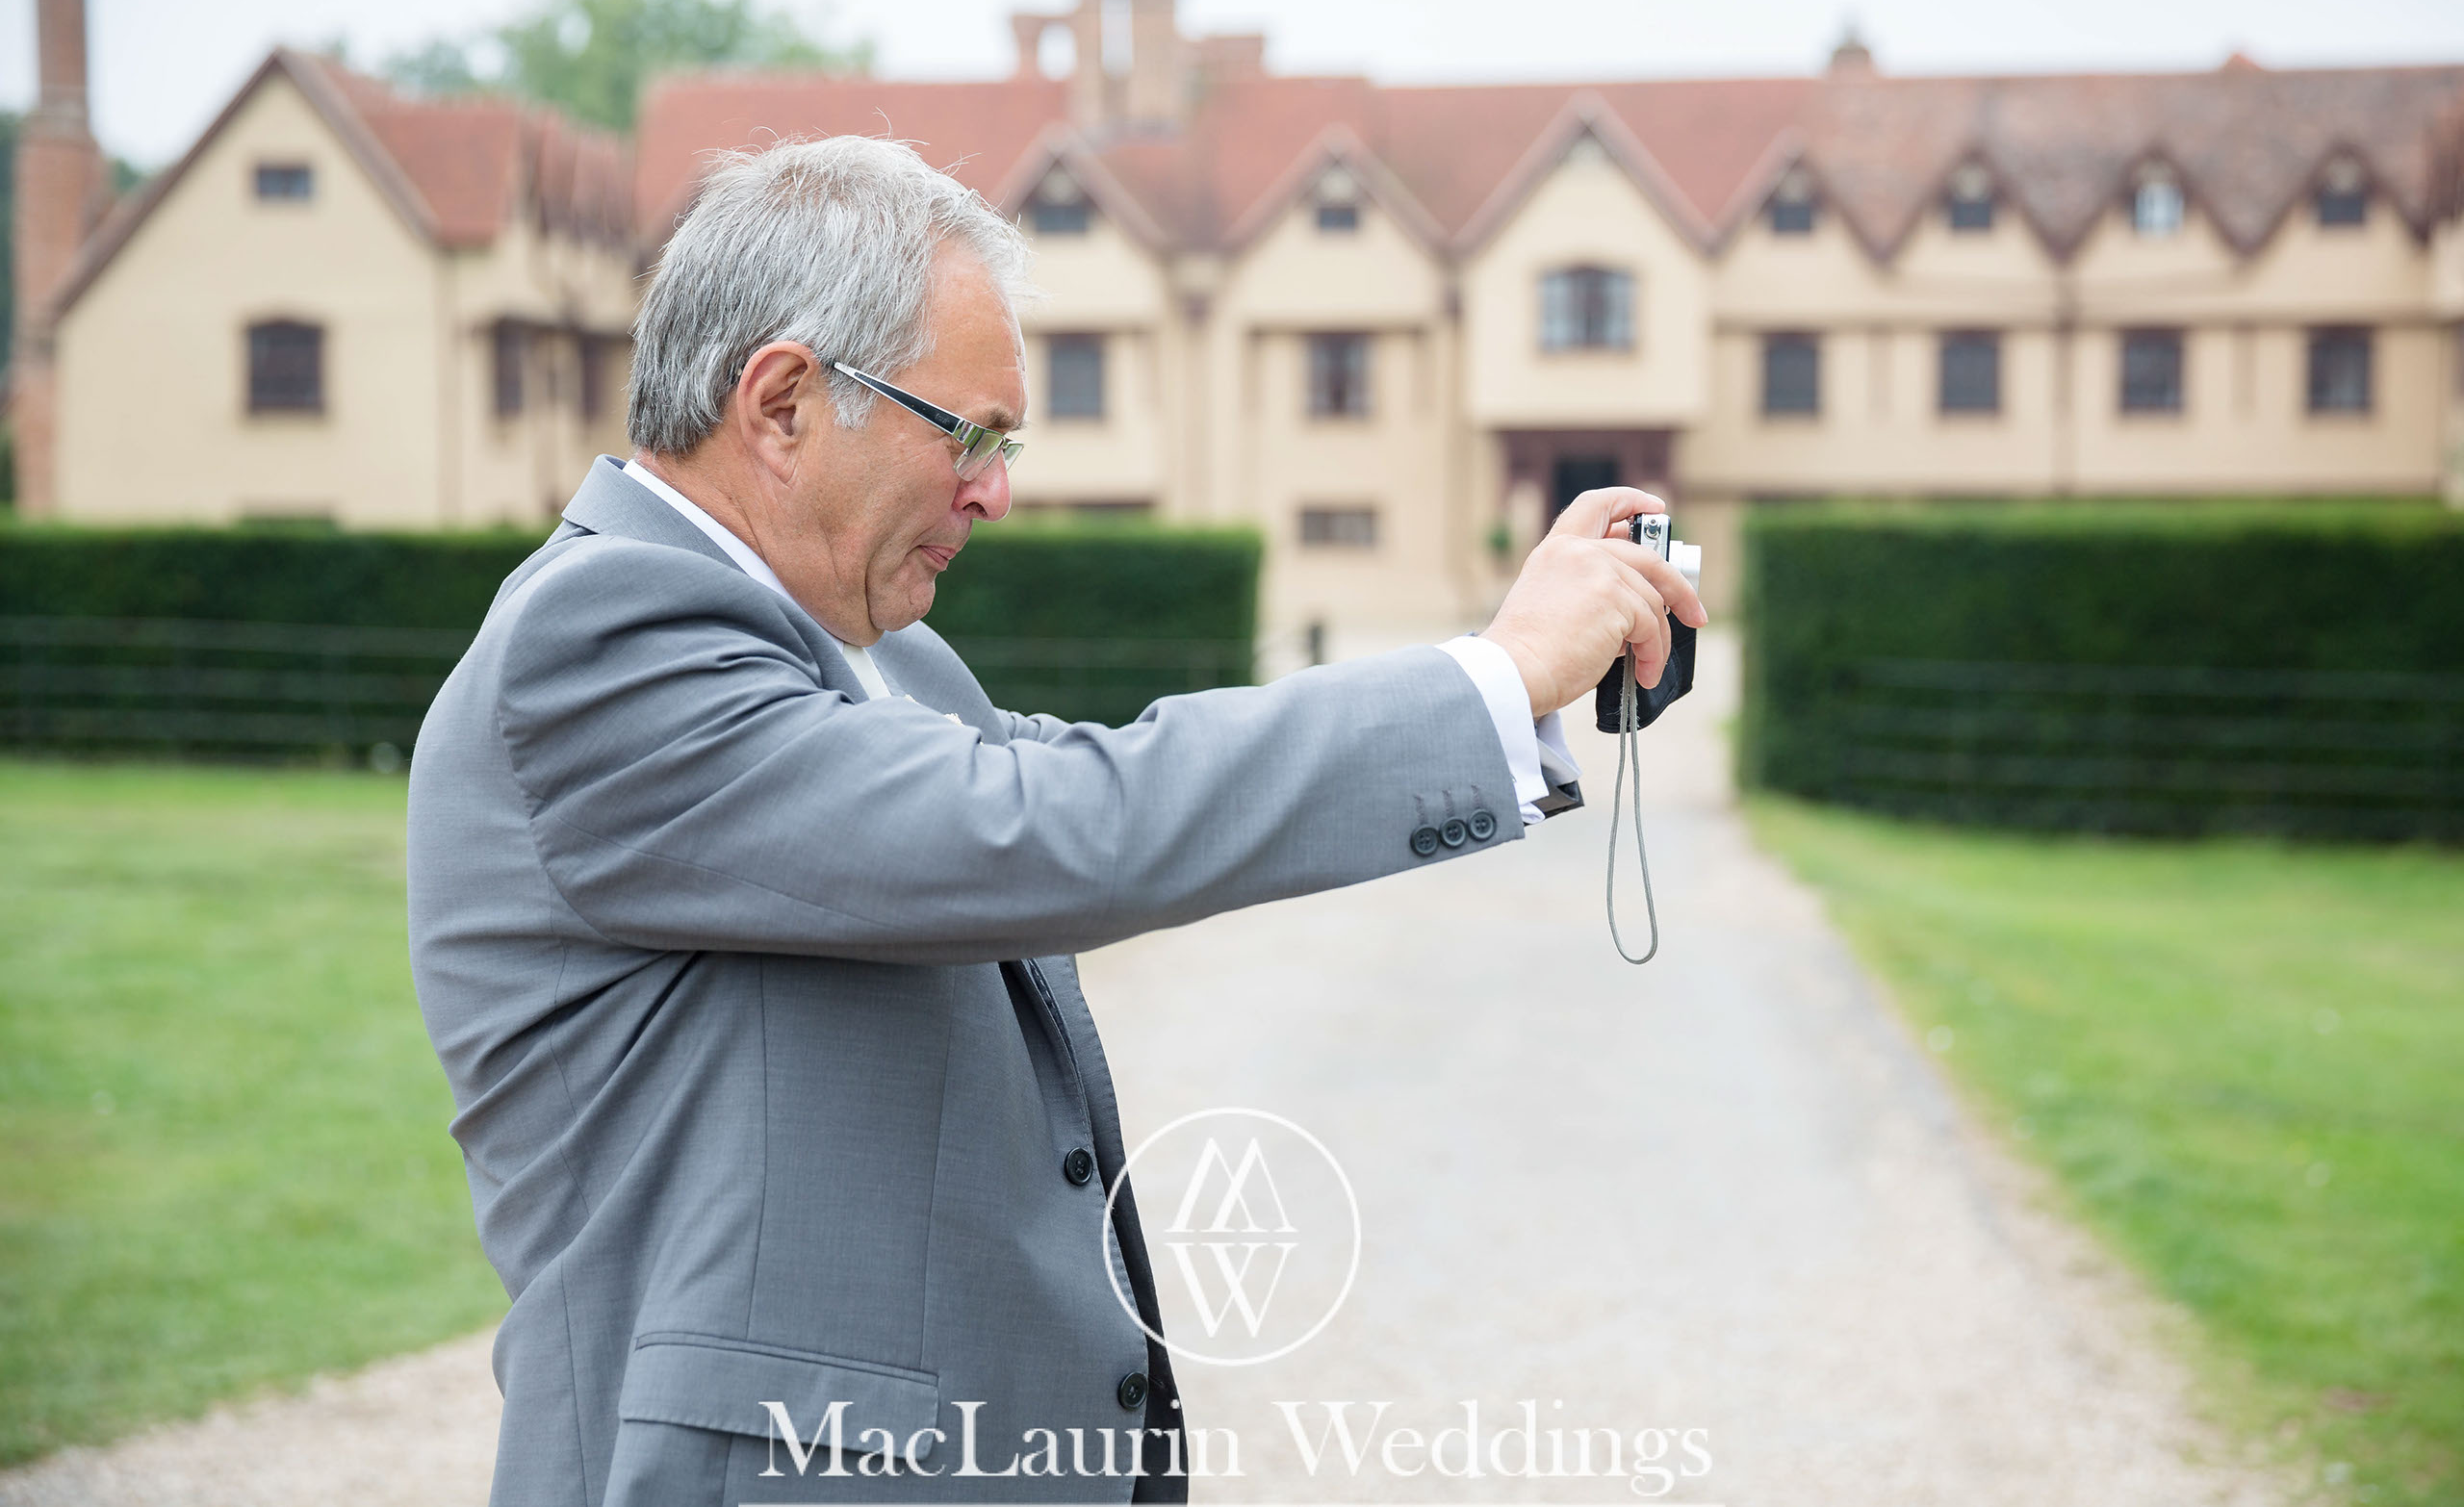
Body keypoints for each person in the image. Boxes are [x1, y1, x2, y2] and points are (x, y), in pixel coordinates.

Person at [405, 135, 1704, 1507]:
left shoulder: (885, 655)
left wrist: (1512, 682)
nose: (994, 490)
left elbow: (1102, 776)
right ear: (783, 404)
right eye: (966, 433)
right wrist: (1494, 679)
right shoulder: (598, 633)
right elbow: (1050, 824)